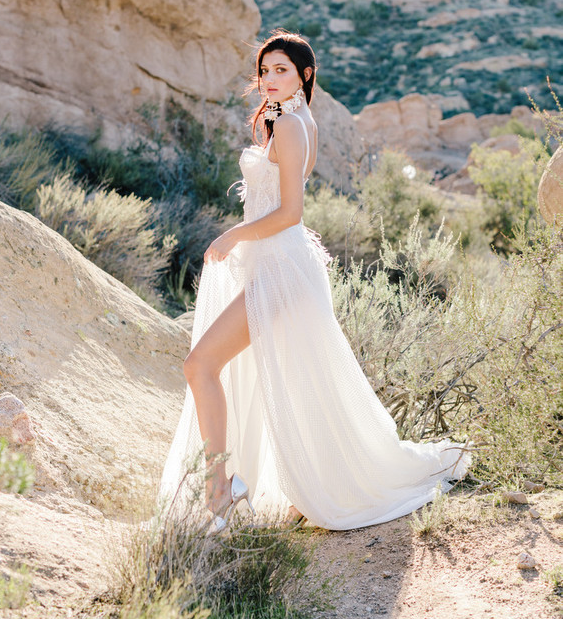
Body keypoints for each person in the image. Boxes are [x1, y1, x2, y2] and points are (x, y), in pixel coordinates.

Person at [159, 31, 471, 532]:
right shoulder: (299, 120)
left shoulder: (288, 123)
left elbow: (290, 212)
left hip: (281, 267)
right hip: (282, 266)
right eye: (264, 71)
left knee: (201, 365)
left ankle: (221, 492)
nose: (269, 79)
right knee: (294, 379)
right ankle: (282, 489)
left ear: (305, 74)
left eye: (281, 69)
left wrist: (235, 235)